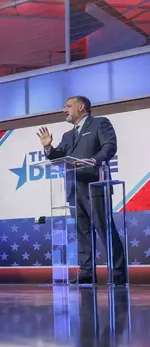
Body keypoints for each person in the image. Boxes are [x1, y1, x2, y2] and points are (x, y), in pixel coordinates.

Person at [37, 95, 126, 284]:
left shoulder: (99, 124)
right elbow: (57, 156)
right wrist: (48, 148)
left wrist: (93, 161)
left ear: (81, 107)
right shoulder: (68, 136)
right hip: (74, 189)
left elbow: (109, 147)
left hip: (95, 187)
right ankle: (87, 273)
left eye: (68, 106)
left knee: (105, 230)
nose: (64, 110)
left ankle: (118, 273)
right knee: (82, 233)